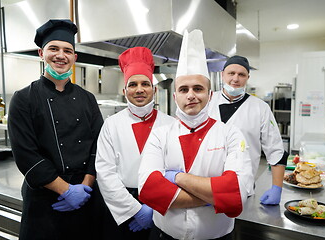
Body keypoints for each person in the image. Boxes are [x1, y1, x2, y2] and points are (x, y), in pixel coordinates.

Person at [138, 29, 253, 240]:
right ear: (175, 96)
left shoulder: (230, 134)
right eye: (184, 89)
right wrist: (215, 196)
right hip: (164, 235)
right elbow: (148, 189)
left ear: (209, 95)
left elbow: (237, 192)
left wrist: (176, 178)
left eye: (198, 88)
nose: (191, 95)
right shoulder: (159, 135)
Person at [8, 19, 111, 240]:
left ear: (75, 57)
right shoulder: (23, 98)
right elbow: (26, 155)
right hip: (45, 203)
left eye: (67, 50)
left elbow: (99, 146)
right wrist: (66, 190)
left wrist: (84, 188)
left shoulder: (87, 98)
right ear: (41, 53)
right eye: (53, 48)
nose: (60, 55)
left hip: (86, 196)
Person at [95, 46, 175, 239]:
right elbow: (105, 173)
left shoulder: (172, 125)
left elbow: (177, 170)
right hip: (120, 210)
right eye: (133, 85)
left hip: (160, 207)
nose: (139, 90)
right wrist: (135, 211)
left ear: (154, 89)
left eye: (145, 84)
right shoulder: (111, 125)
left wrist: (154, 207)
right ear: (124, 90)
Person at [208, 55, 288, 205]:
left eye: (241, 74)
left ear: (247, 78)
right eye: (231, 73)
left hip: (242, 187)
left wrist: (277, 188)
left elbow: (275, 149)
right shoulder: (206, 101)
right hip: (205, 187)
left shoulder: (260, 108)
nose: (235, 79)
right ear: (222, 74)